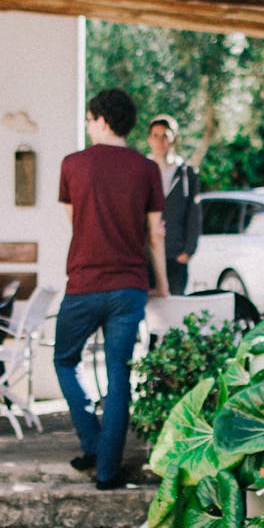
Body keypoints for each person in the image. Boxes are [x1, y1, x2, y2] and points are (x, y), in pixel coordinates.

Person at [55, 89, 168, 490]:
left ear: (102, 119)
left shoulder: (73, 164)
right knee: (120, 374)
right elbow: (155, 233)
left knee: (65, 359)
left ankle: (92, 441)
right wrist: (162, 286)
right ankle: (106, 469)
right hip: (130, 286)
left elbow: (75, 222)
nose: (88, 126)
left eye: (89, 119)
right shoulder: (146, 169)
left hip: (84, 283)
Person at [146, 114, 201, 294]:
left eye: (165, 136)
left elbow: (194, 214)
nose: (160, 141)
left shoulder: (186, 174)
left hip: (175, 254)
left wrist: (187, 252)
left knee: (174, 307)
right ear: (149, 139)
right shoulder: (141, 170)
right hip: (146, 255)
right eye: (156, 135)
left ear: (173, 139)